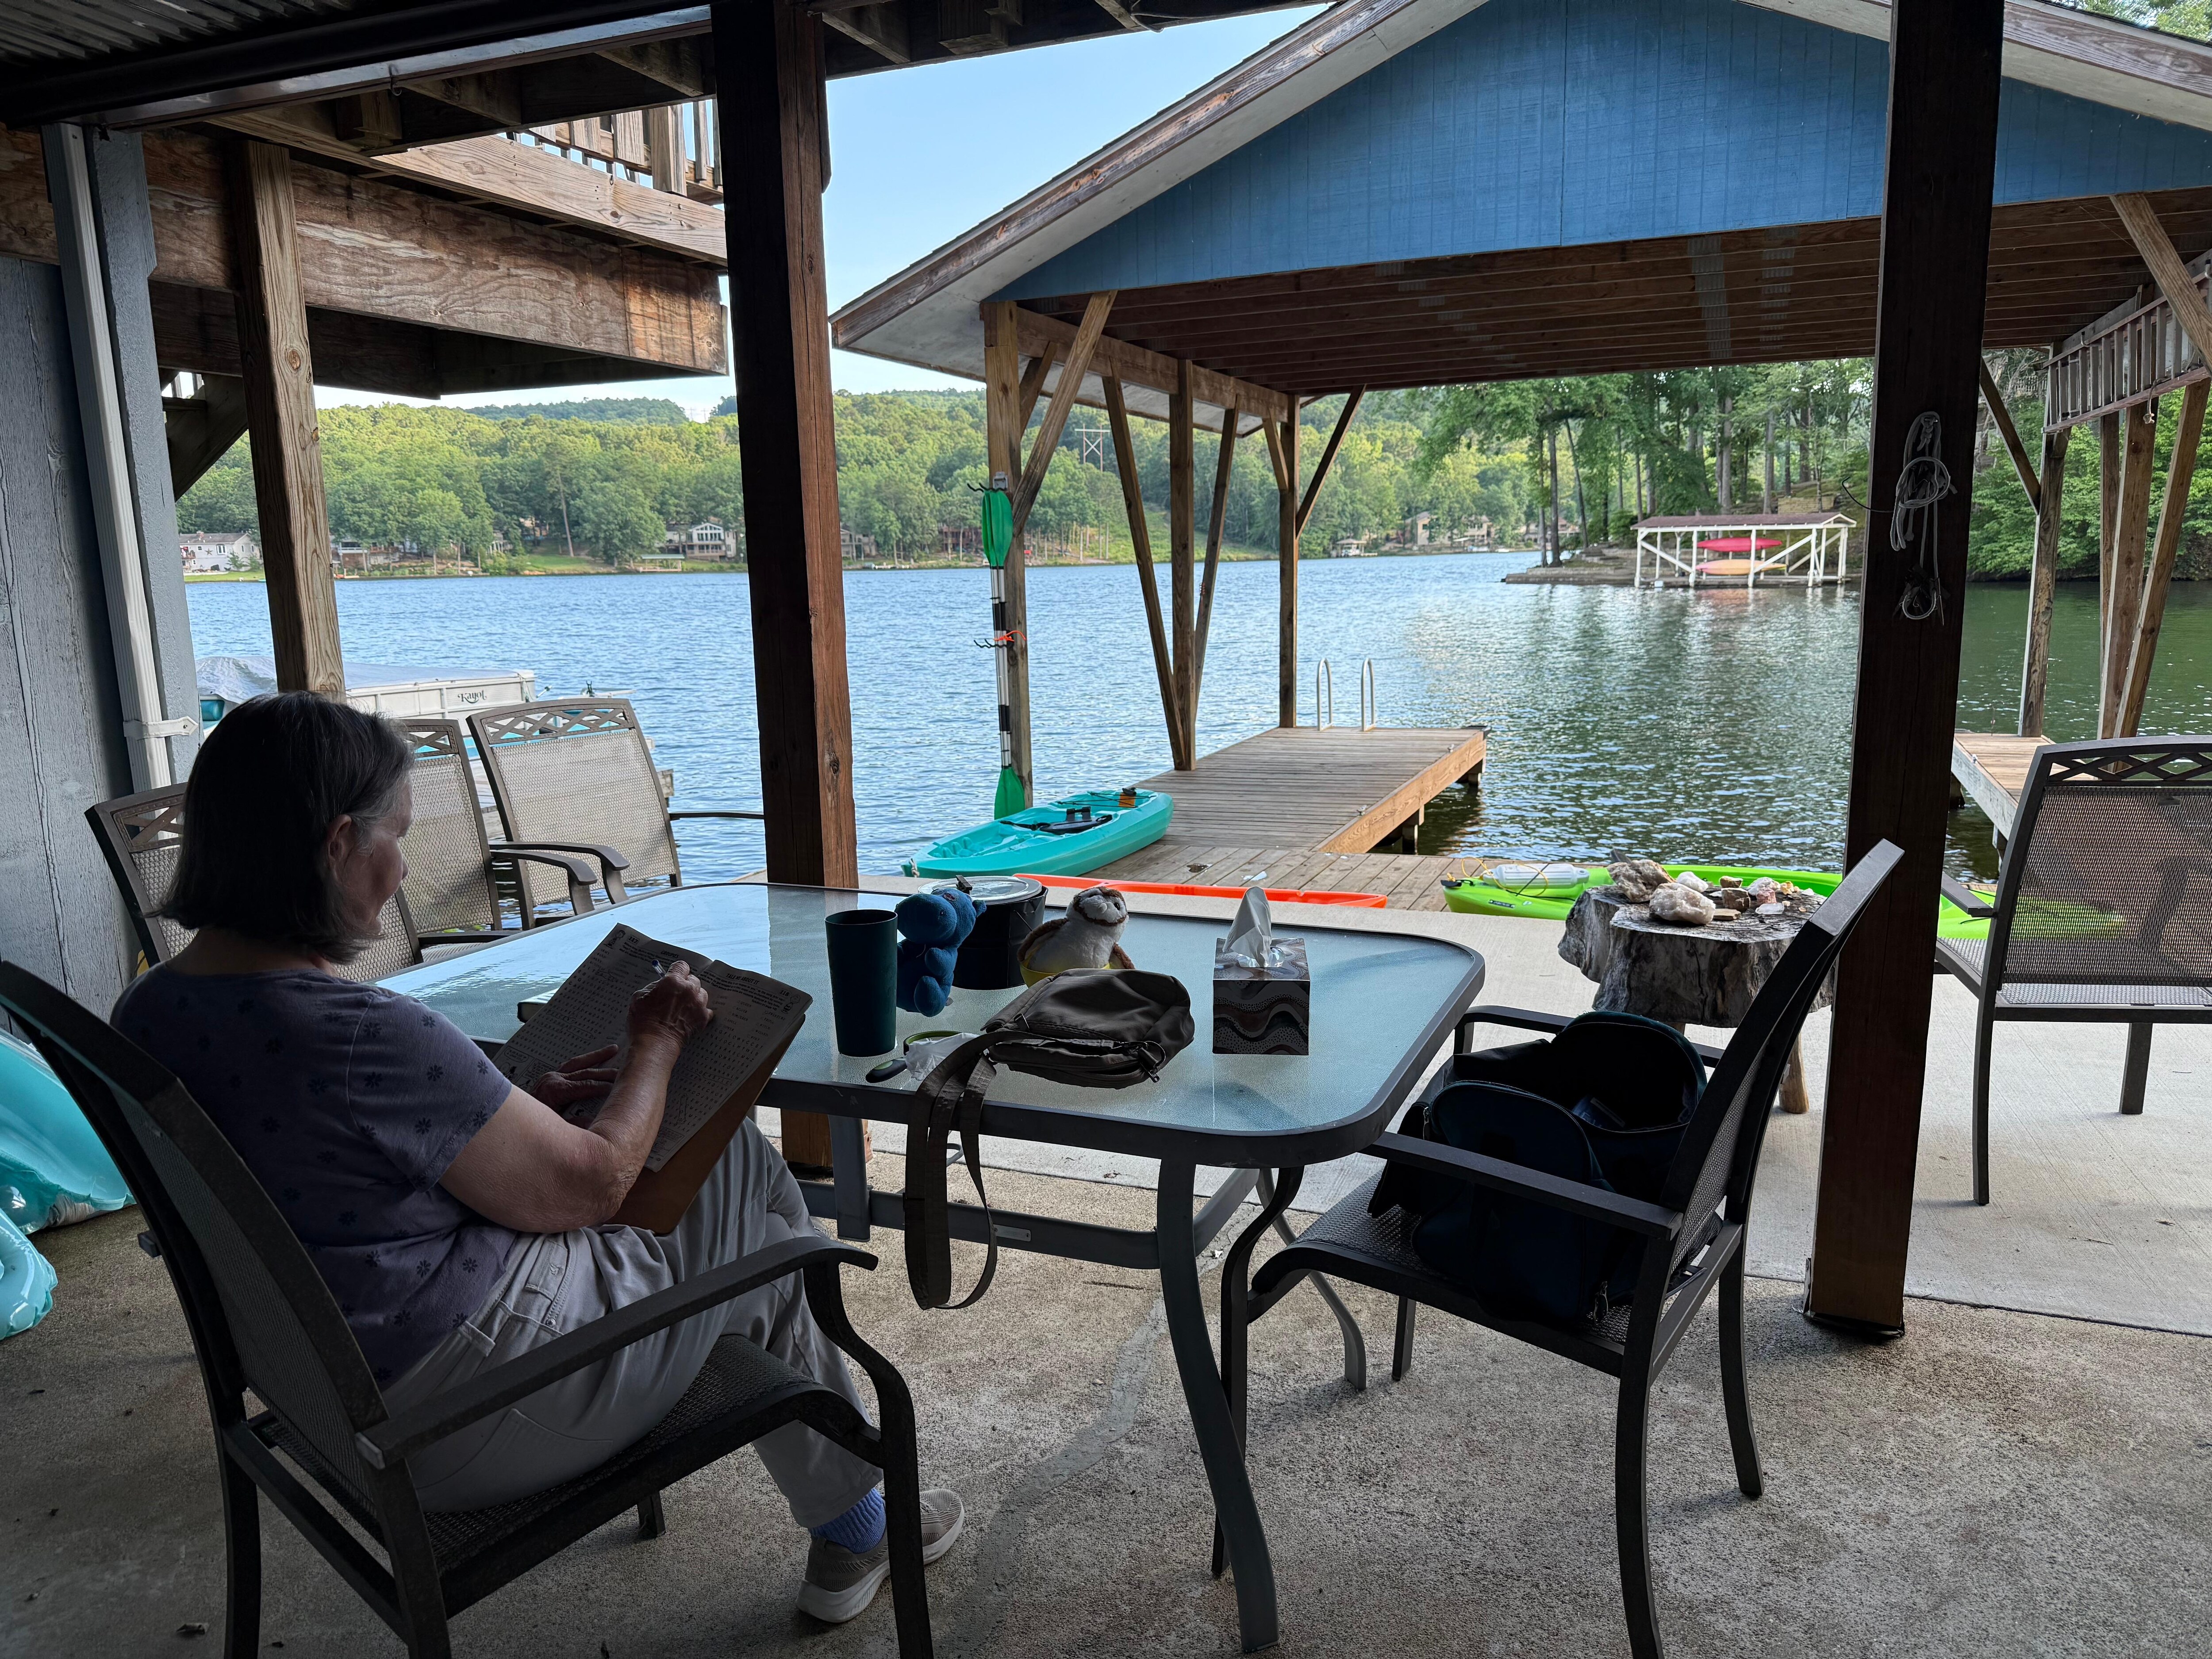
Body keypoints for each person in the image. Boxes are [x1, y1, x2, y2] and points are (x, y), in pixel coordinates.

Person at [111, 693, 959, 1624]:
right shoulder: (360, 1033)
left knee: (731, 1194)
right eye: (395, 838)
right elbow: (595, 1184)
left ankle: (847, 1514)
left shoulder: (147, 1014)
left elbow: (327, 1155)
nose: (399, 875)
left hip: (327, 1386)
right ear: (337, 844)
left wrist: (507, 1109)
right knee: (761, 1230)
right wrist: (658, 1043)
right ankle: (854, 1519)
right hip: (465, 1418)